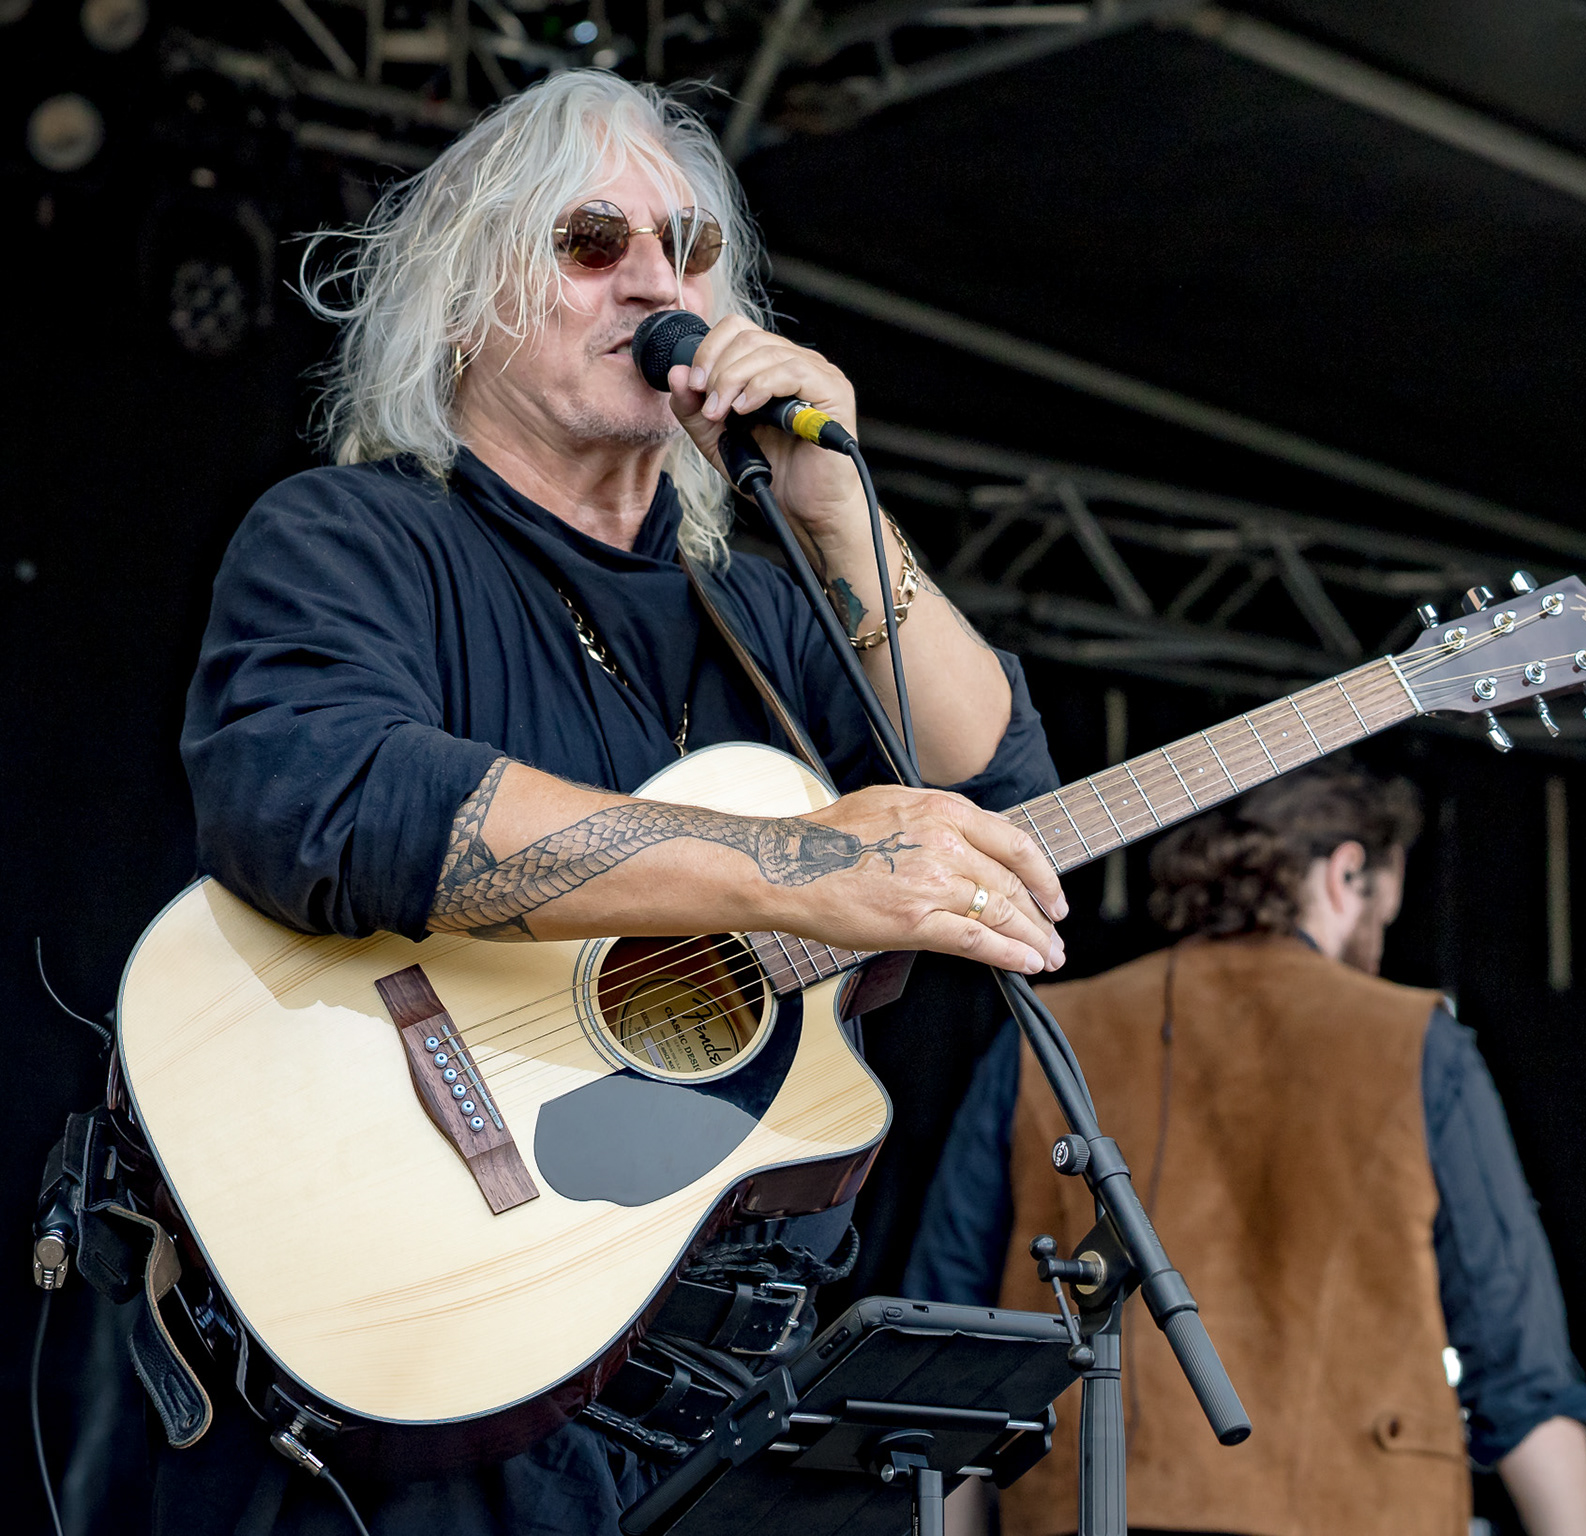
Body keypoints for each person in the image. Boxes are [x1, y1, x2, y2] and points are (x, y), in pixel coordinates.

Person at [163, 69, 1067, 1535]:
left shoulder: (762, 619)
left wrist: (838, 505)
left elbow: (1000, 809)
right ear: (463, 295)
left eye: (695, 252)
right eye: (593, 244)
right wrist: (794, 866)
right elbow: (326, 795)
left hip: (744, 1397)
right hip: (453, 1392)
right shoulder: (355, 537)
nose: (662, 286)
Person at [905, 762, 1586, 1536]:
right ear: (1347, 872)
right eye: (1386, 915)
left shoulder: (1048, 1039)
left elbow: (947, 1356)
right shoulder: (1415, 1042)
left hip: (1089, 1510)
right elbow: (1520, 1363)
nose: (1377, 951)